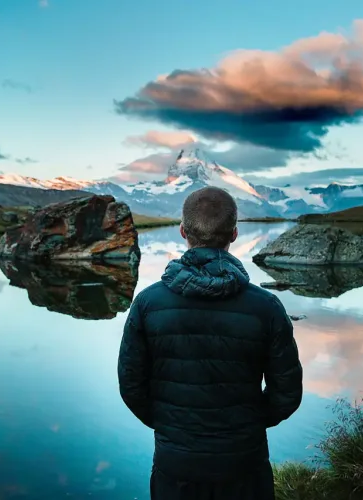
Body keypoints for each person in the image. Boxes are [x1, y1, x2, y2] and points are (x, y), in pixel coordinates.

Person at [118, 186, 303, 500]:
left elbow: (131, 386)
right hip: (244, 462)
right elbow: (287, 393)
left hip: (175, 464)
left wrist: (169, 425)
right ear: (234, 234)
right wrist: (250, 423)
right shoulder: (267, 307)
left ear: (182, 232)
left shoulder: (147, 304)